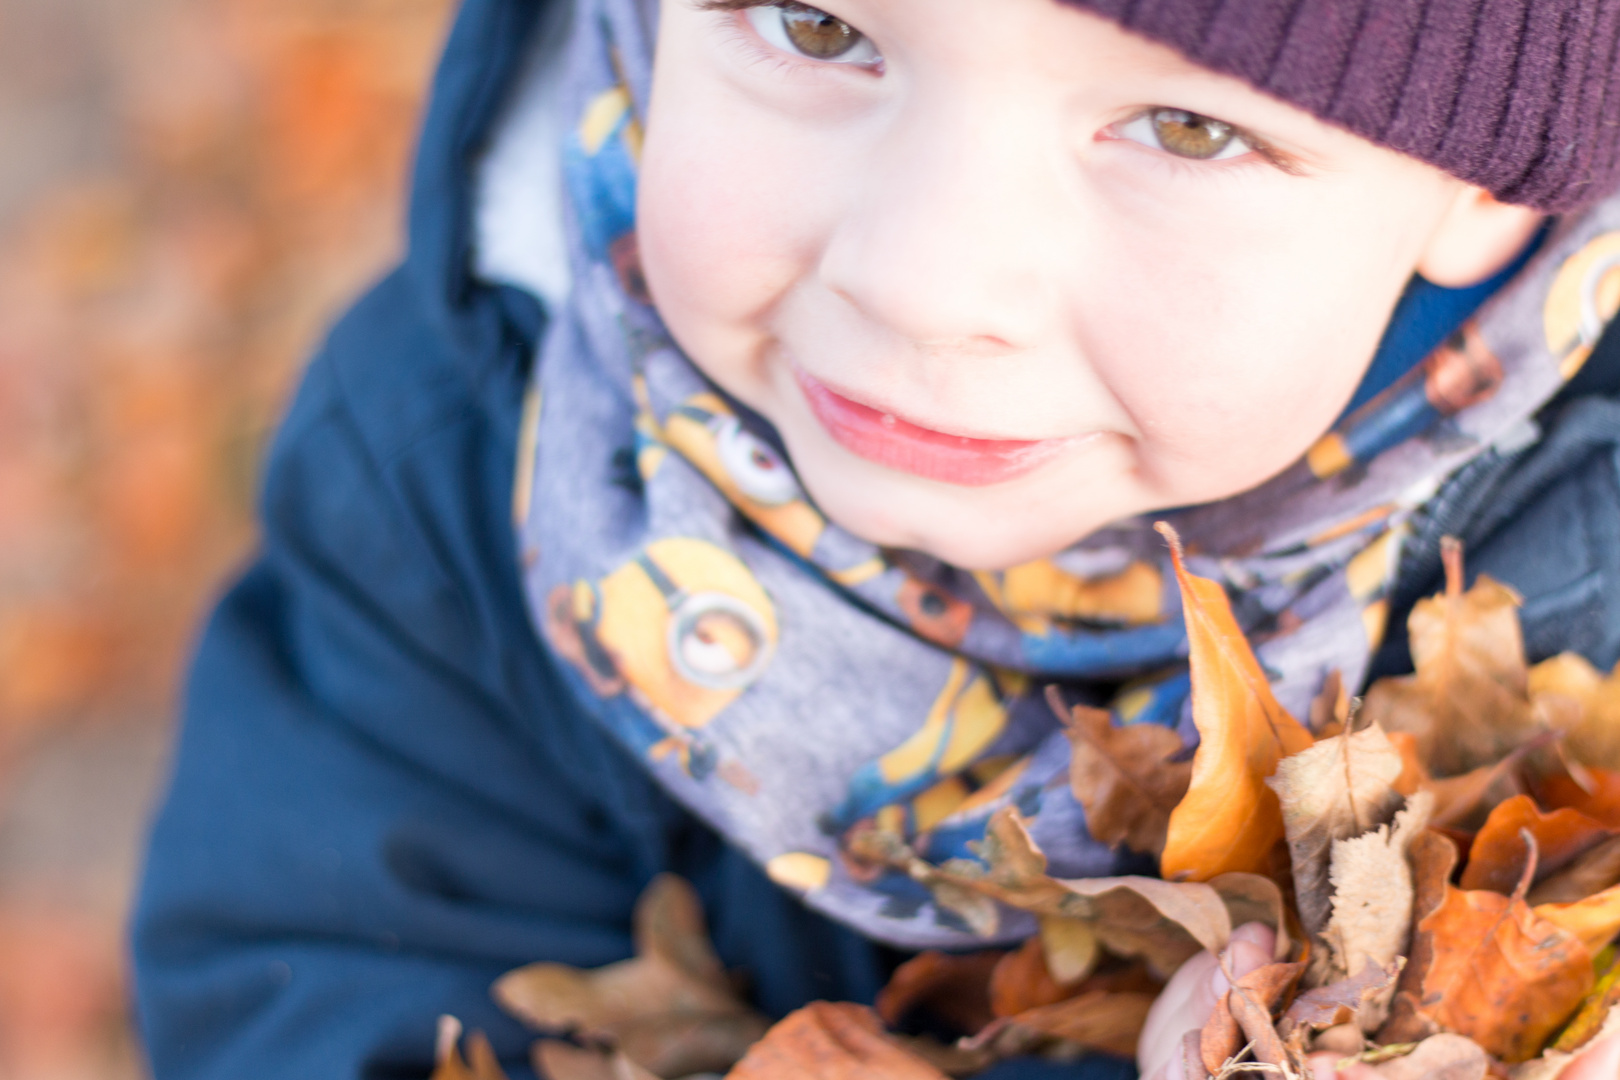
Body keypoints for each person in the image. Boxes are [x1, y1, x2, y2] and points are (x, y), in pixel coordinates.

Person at [130, 1, 1620, 1077]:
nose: (920, 278)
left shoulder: (1588, 567)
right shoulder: (477, 467)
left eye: (1186, 127)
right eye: (818, 29)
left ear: (1486, 192)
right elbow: (315, 993)